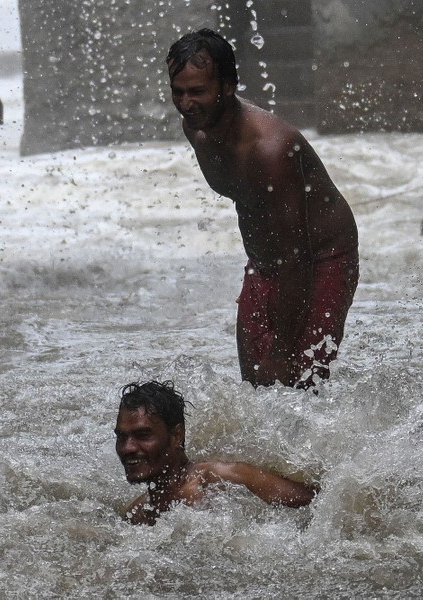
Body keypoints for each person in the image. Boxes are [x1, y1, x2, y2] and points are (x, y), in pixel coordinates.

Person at [166, 29, 360, 389]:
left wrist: (282, 350)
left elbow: (296, 256)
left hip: (320, 258)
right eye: (178, 92)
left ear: (228, 87)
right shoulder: (197, 128)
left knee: (298, 387)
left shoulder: (271, 150)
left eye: (197, 92)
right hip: (266, 261)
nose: (186, 103)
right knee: (255, 390)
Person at [114, 380, 316, 525]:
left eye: (143, 435)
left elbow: (318, 502)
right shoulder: (136, 515)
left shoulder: (225, 479)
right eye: (122, 437)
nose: (128, 448)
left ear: (176, 436)